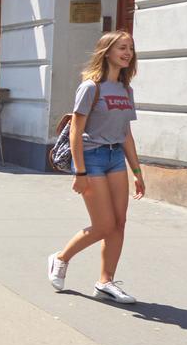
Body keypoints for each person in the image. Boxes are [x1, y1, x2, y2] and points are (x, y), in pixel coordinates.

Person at [47, 31, 143, 303]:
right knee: (103, 225)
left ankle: (106, 282)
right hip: (92, 158)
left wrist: (137, 171)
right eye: (122, 48)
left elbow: (125, 133)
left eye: (131, 49)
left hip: (115, 158)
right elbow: (76, 131)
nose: (128, 53)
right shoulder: (91, 87)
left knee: (119, 223)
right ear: (107, 51)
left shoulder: (126, 90)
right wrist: (80, 172)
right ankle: (61, 258)